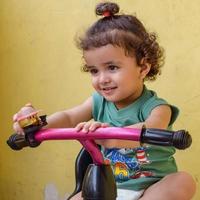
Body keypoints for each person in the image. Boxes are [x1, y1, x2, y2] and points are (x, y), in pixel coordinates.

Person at [13, 2, 196, 200]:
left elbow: (152, 127)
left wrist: (109, 136)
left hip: (152, 187)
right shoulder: (98, 102)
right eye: (94, 70)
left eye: (112, 67)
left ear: (142, 68)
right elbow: (68, 117)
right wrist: (35, 124)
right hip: (109, 185)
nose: (102, 79)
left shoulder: (158, 108)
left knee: (183, 181)